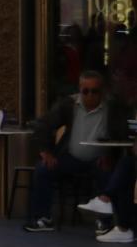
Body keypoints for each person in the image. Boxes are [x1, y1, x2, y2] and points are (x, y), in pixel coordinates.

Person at [23, 70, 132, 233]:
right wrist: (45, 151)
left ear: (102, 91)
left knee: (107, 172)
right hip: (71, 157)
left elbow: (121, 135)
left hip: (99, 158)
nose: (90, 96)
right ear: (79, 89)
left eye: (94, 91)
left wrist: (110, 155)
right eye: (85, 91)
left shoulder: (112, 108)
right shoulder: (69, 104)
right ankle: (43, 218)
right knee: (43, 169)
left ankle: (104, 221)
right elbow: (42, 125)